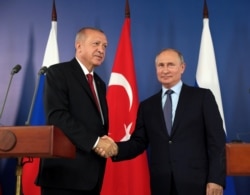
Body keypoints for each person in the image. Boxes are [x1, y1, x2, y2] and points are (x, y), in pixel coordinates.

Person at [96, 48, 226, 195]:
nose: (165, 70)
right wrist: (115, 148)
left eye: (170, 65)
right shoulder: (147, 106)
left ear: (182, 67)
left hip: (197, 183)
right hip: (161, 183)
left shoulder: (202, 97)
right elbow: (139, 142)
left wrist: (216, 179)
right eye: (161, 65)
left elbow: (217, 141)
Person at [36, 27, 118, 195]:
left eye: (105, 46)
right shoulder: (58, 73)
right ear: (79, 46)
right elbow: (57, 116)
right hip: (63, 176)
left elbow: (97, 124)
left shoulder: (100, 83)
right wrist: (95, 142)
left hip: (92, 176)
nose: (101, 50)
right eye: (96, 44)